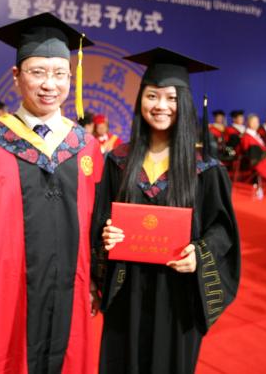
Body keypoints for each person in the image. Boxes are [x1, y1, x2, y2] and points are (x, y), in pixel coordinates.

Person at [0, 12, 104, 373]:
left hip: (71, 289)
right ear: (16, 76)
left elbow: (95, 223)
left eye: (60, 73)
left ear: (71, 77)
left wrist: (96, 281)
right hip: (5, 291)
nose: (50, 84)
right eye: (38, 72)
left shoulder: (86, 147)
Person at [92, 47, 240, 374]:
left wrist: (199, 254)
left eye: (171, 98)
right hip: (126, 292)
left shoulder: (205, 168)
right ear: (140, 100)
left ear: (184, 103)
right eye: (152, 96)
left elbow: (222, 229)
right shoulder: (118, 160)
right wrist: (106, 233)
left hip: (178, 295)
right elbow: (100, 217)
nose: (161, 105)